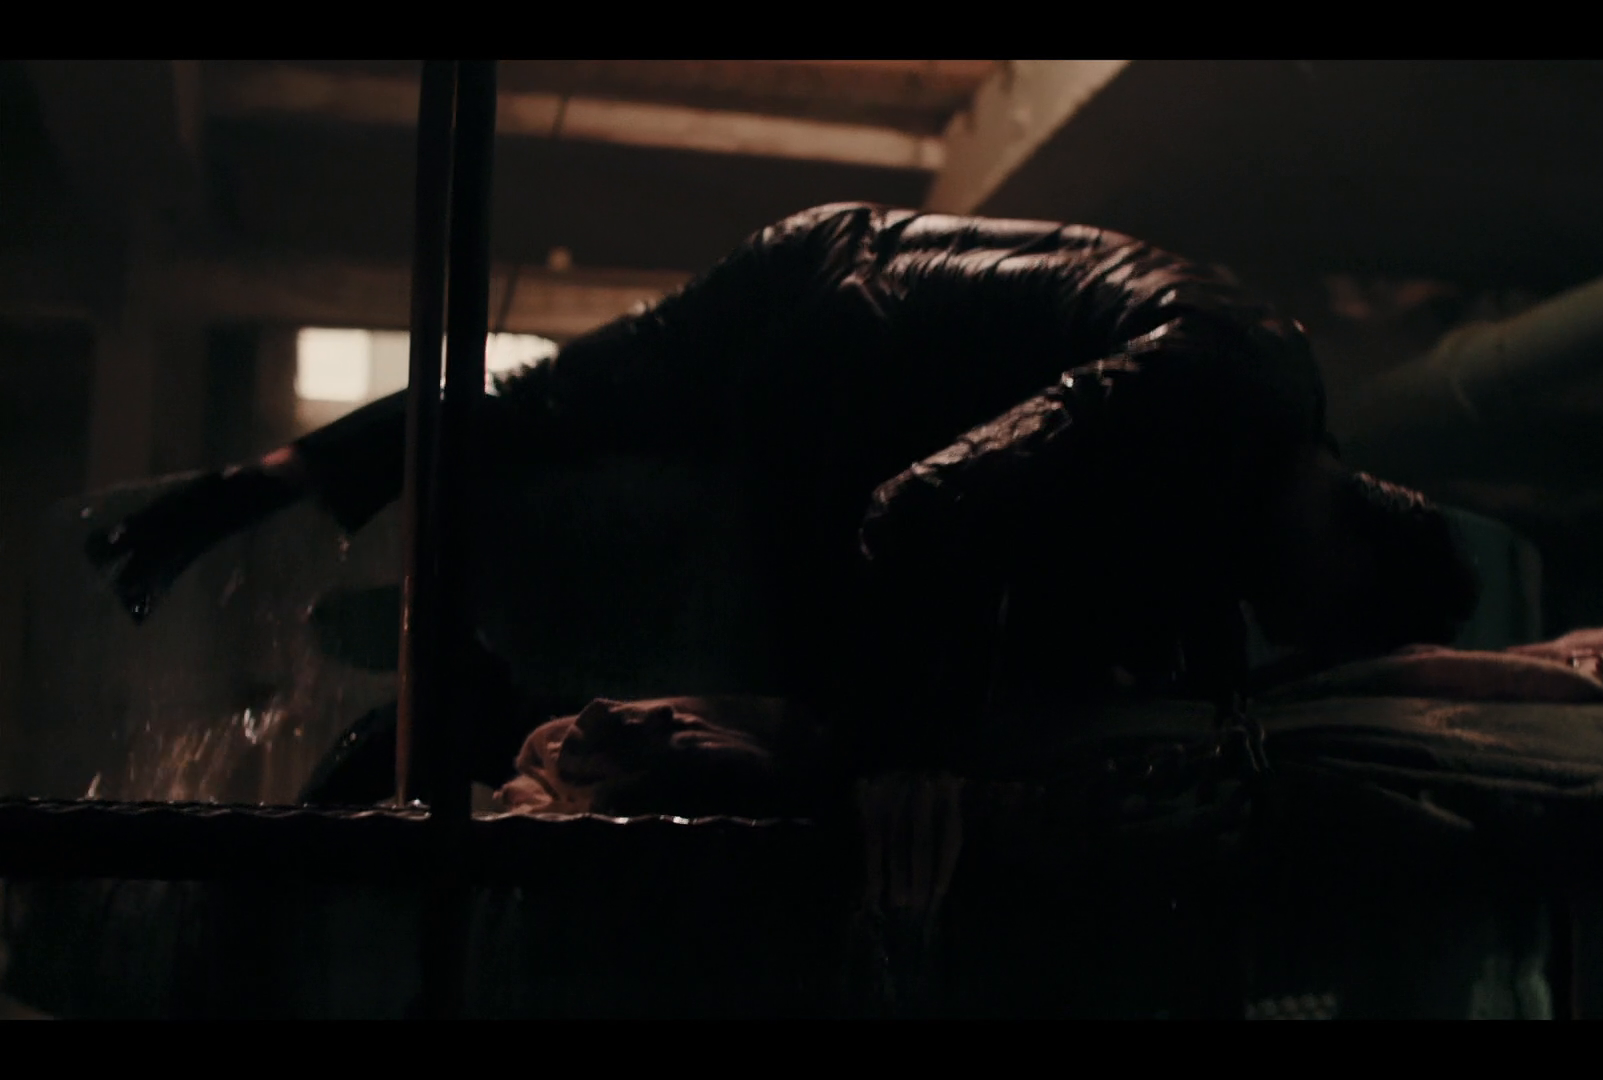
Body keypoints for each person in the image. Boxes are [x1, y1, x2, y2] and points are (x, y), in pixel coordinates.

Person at [87, 202, 1479, 785]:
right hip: (837, 335)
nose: (1276, 622)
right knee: (793, 693)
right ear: (1343, 555)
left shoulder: (1270, 425)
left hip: (839, 279)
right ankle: (459, 711)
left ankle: (254, 490)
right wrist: (909, 761)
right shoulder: (1225, 391)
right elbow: (926, 512)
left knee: (546, 403)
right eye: (1314, 619)